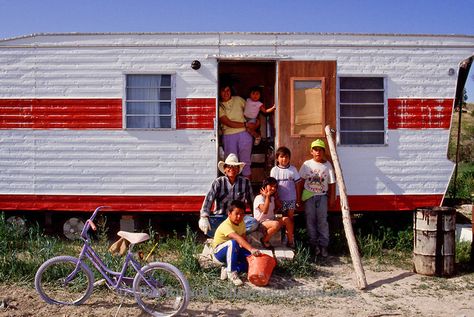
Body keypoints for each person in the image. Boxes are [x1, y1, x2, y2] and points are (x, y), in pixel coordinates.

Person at [198, 153, 259, 237]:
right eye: (229, 167)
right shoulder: (218, 182)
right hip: (221, 217)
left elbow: (252, 201)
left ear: (238, 169)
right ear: (225, 169)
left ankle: (229, 235)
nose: (231, 169)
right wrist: (204, 216)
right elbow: (209, 199)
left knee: (254, 223)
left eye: (234, 167)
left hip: (238, 218)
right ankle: (234, 235)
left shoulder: (245, 182)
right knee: (208, 226)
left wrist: (257, 216)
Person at [298, 139, 336, 259]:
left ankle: (324, 246)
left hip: (322, 196)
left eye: (320, 150)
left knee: (322, 221)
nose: (318, 152)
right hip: (309, 196)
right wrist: (299, 198)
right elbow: (300, 181)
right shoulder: (307, 164)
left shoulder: (327, 165)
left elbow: (332, 183)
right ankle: (314, 246)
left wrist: (331, 197)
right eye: (315, 150)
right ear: (311, 151)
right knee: (310, 220)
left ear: (324, 152)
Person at [213, 200, 261, 286]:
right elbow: (237, 238)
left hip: (233, 251)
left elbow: (243, 238)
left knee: (251, 260)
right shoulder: (226, 225)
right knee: (233, 242)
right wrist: (251, 248)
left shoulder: (241, 223)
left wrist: (250, 253)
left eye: (242, 214)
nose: (239, 216)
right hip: (219, 253)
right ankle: (232, 273)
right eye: (237, 213)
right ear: (229, 214)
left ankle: (228, 269)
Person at [218, 84, 256, 178]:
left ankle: (246, 189)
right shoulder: (219, 105)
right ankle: (231, 190)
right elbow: (227, 122)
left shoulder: (238, 99)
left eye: (228, 90)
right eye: (223, 91)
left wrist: (254, 123)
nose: (226, 93)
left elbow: (250, 112)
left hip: (244, 134)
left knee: (246, 162)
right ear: (219, 92)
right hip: (229, 136)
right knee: (231, 163)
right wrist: (245, 124)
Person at [270, 146, 301, 248]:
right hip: (279, 200)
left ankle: (290, 238)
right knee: (281, 219)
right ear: (277, 158)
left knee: (290, 219)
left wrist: (298, 198)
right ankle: (281, 238)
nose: (284, 159)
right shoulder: (274, 170)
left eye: (286, 157)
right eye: (282, 157)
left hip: (291, 199)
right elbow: (272, 186)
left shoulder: (293, 170)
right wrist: (276, 199)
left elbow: (297, 185)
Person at [253, 177, 294, 249]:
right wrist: (267, 196)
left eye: (275, 187)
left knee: (287, 219)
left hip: (271, 220)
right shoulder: (259, 198)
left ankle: (290, 242)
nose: (273, 188)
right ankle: (264, 240)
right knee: (276, 224)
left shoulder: (272, 198)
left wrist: (276, 199)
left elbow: (275, 210)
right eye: (271, 186)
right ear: (264, 186)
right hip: (260, 223)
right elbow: (265, 211)